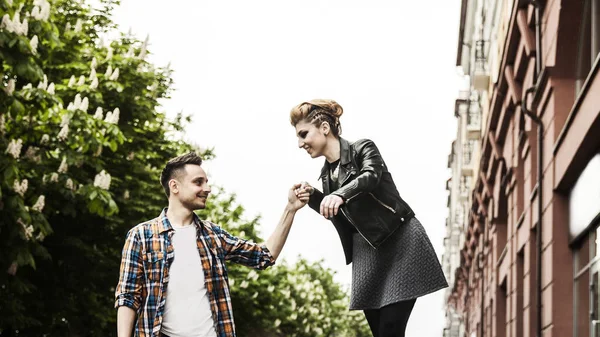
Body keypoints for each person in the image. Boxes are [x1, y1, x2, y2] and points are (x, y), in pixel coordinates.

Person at [290, 99, 448, 337]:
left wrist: (340, 195)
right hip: (366, 252)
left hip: (400, 240)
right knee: (379, 332)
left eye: (304, 134)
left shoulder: (362, 149)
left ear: (324, 127)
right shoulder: (327, 176)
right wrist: (314, 197)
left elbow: (370, 176)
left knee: (390, 329)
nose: (300, 143)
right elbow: (343, 221)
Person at [114, 152, 309, 337]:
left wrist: (290, 209)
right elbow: (128, 296)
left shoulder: (213, 236)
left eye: (206, 182)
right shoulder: (141, 236)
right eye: (198, 182)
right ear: (174, 186)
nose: (207, 189)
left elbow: (265, 256)